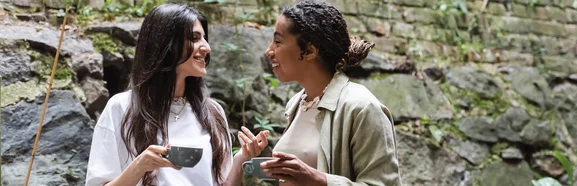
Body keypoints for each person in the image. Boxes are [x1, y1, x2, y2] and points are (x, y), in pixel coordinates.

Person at [85, 3, 269, 186]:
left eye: (204, 38)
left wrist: (241, 158)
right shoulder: (122, 107)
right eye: (194, 38)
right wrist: (140, 166)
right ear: (166, 43)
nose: (206, 47)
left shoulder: (212, 112)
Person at [259, 0, 402, 185]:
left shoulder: (362, 107)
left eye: (278, 42)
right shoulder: (296, 104)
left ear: (309, 51)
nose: (268, 50)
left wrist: (319, 180)